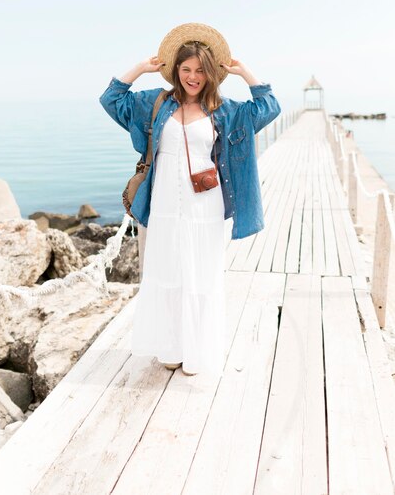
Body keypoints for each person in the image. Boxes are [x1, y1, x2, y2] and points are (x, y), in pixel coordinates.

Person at [99, 22, 281, 377]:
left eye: (200, 70)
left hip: (205, 206)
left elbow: (269, 107)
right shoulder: (156, 103)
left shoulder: (225, 110)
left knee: (201, 277)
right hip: (164, 204)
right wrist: (140, 68)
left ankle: (197, 351)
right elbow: (111, 100)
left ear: (211, 73)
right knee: (166, 274)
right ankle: (170, 348)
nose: (193, 77)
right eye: (186, 69)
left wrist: (246, 74)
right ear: (176, 71)